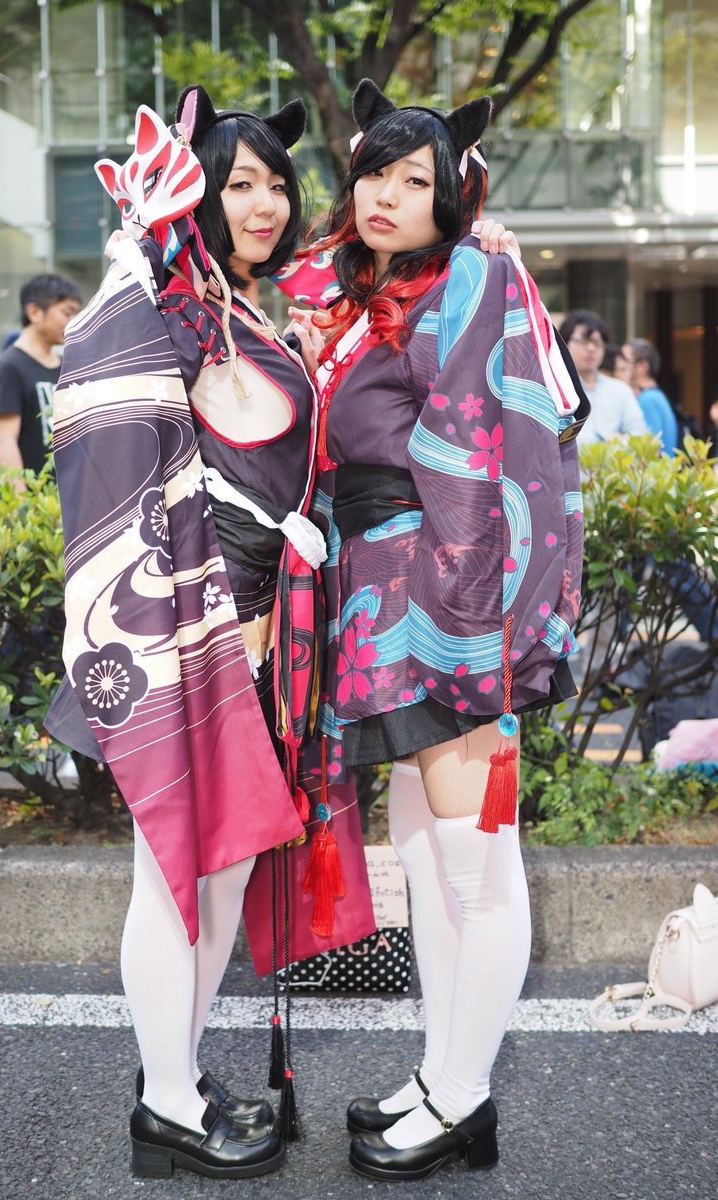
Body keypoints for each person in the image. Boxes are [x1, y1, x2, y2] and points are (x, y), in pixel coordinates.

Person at [45, 87, 379, 1181]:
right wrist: (137, 247)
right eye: (239, 183)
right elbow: (104, 415)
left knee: (223, 872)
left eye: (276, 182)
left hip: (260, 633)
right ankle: (167, 1105)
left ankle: (177, 1076)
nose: (266, 202)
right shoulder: (172, 305)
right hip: (198, 628)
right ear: (197, 194)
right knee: (174, 872)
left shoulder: (243, 308)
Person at [279, 80, 585, 1182]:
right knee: (424, 855)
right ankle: (442, 1073)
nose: (388, 194)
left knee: (474, 862)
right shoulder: (363, 295)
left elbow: (501, 440)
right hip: (387, 600)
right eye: (376, 171)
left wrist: (471, 626)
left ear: (454, 198)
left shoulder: (473, 277)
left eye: (418, 180)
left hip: (448, 602)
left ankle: (463, 1098)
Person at [0, 274, 82, 477]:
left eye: (76, 313)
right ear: (35, 312)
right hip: (36, 494)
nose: (73, 321)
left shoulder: (67, 365)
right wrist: (22, 496)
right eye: (67, 312)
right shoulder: (8, 368)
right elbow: (4, 441)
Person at [560, 310, 647, 446]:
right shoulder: (556, 391)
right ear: (564, 344)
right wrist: (613, 441)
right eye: (583, 341)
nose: (591, 348)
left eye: (596, 342)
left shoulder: (621, 390)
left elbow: (640, 437)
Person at [623, 338, 678, 454]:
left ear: (642, 366)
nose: (620, 365)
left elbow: (650, 451)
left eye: (625, 360)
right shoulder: (655, 396)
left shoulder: (648, 400)